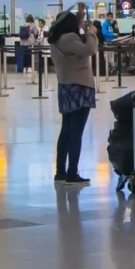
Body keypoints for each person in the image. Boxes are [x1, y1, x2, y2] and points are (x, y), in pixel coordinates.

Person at [49, 10, 98, 186]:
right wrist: (91, 33)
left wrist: (82, 22)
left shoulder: (57, 40)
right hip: (80, 87)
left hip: (65, 86)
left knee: (66, 131)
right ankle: (72, 172)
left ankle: (60, 171)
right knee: (76, 132)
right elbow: (90, 49)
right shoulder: (69, 39)